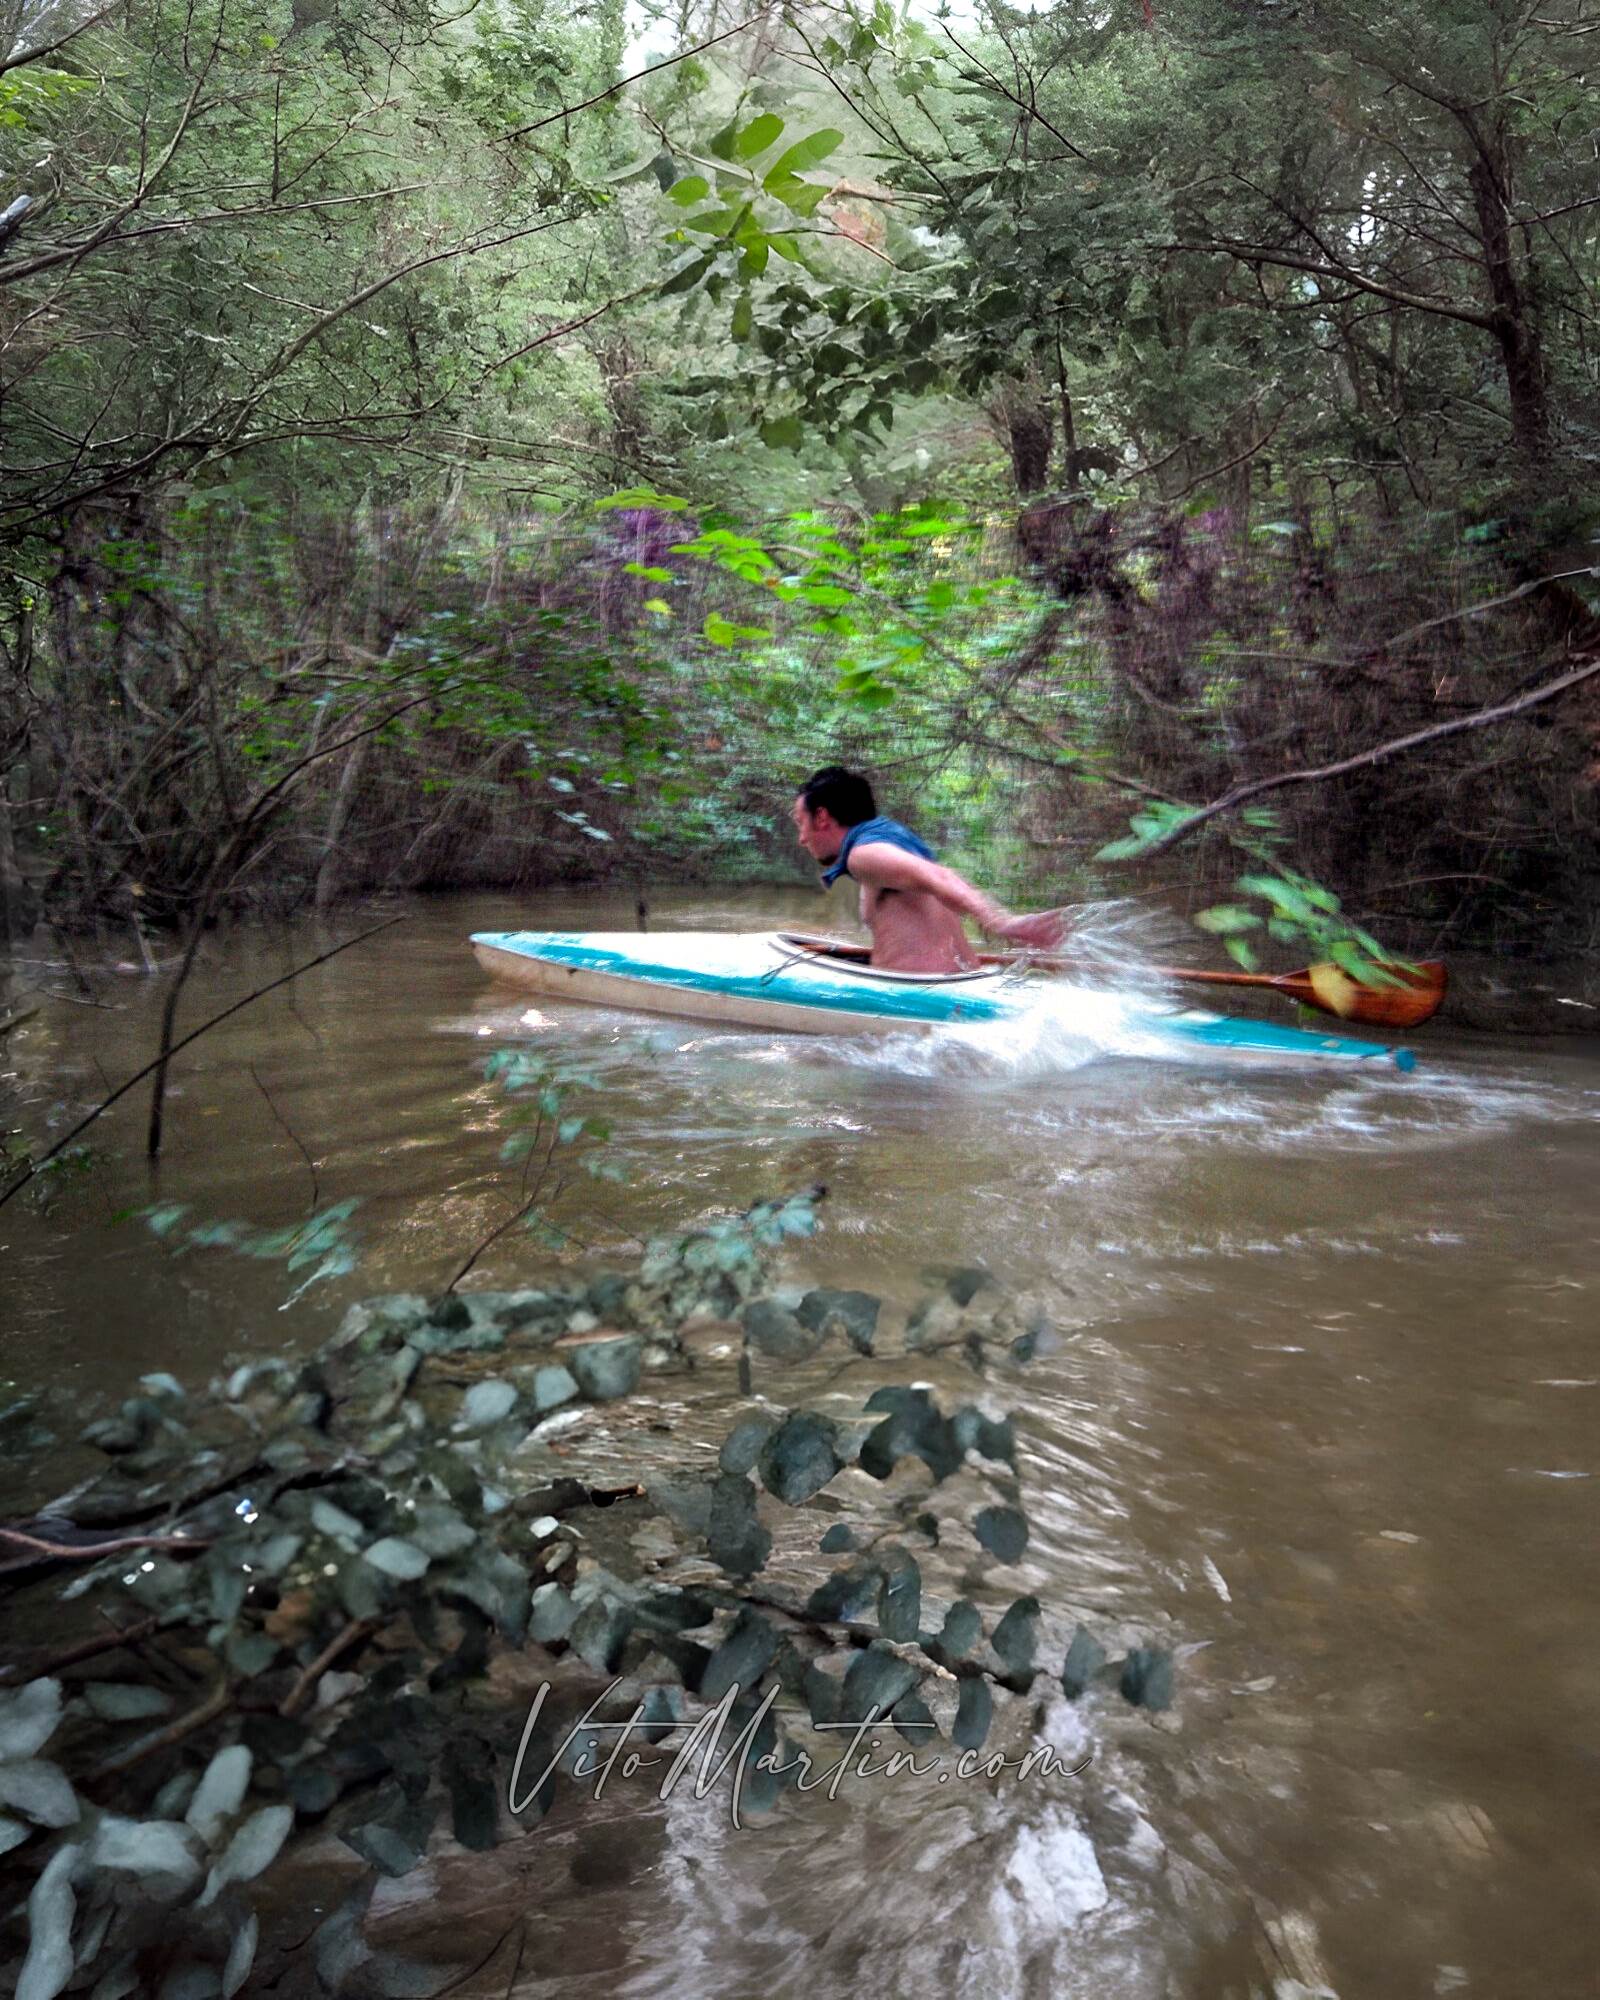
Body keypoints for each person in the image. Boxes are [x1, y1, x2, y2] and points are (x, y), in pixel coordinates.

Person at [791, 766, 1068, 974]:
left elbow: (940, 877)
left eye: (800, 822)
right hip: (955, 984)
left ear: (822, 818)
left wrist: (1002, 923)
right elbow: (937, 879)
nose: (801, 838)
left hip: (920, 1003)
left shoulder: (864, 855)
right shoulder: (884, 842)